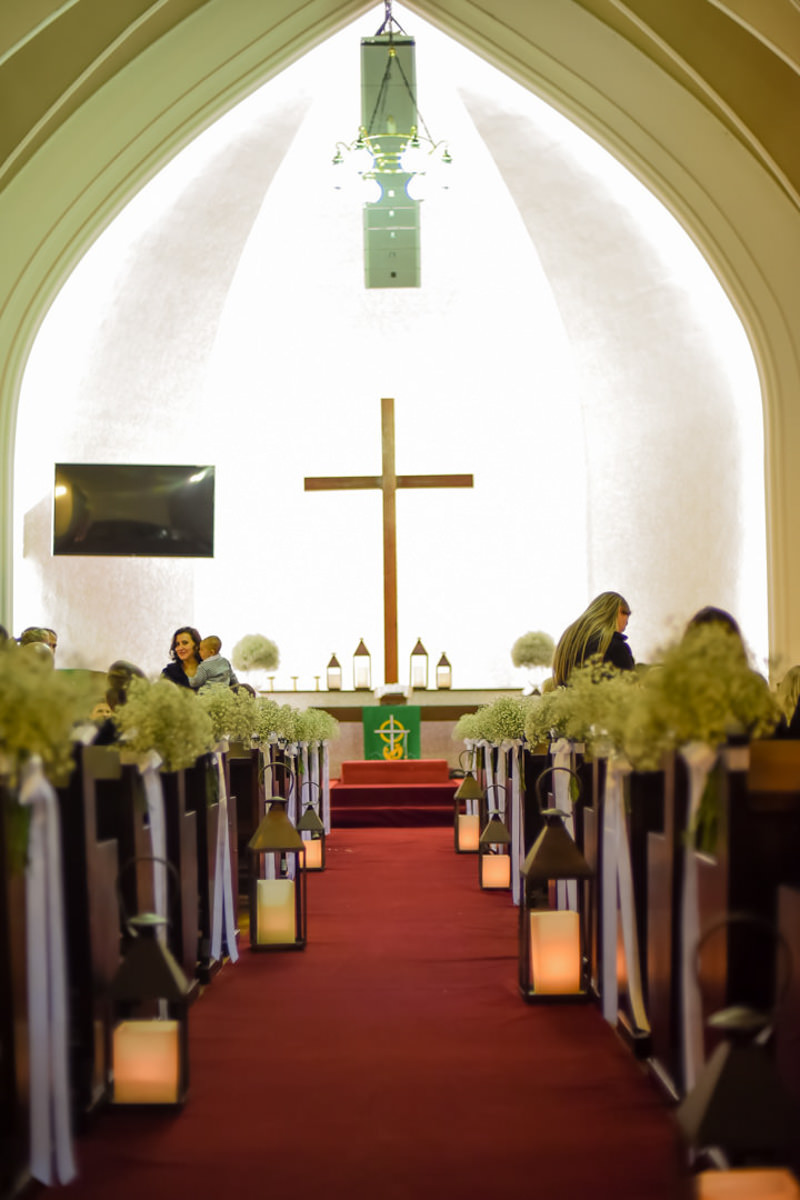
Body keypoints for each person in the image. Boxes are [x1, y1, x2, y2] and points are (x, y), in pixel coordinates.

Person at [552, 591, 634, 686]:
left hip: (566, 694)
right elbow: (628, 684)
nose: (626, 623)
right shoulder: (613, 644)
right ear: (619, 610)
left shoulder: (570, 636)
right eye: (626, 616)